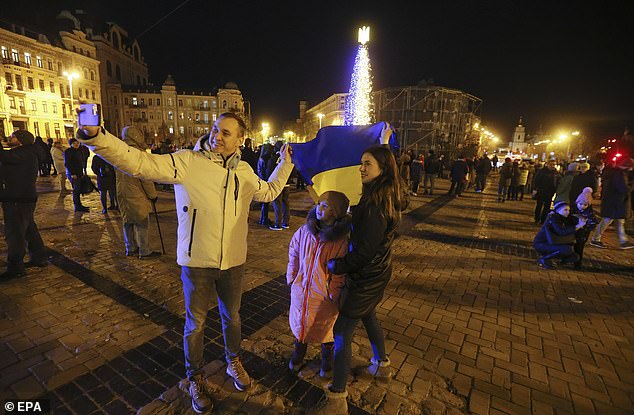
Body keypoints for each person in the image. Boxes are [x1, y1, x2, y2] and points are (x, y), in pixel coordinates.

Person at [76, 112, 294, 414]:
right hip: (197, 263)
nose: (218, 136)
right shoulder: (187, 162)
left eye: (227, 133)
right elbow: (140, 164)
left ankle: (234, 362)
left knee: (232, 317)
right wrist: (96, 137)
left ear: (240, 140)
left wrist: (286, 163)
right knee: (196, 324)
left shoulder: (243, 171)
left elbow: (269, 192)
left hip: (233, 262)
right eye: (217, 129)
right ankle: (196, 377)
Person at [313, 131, 401, 414]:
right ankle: (382, 365)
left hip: (366, 277)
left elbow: (363, 252)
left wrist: (336, 266)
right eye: (361, 162)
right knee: (369, 315)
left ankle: (338, 397)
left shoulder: (376, 205)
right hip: (377, 274)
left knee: (341, 333)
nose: (361, 168)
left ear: (382, 170)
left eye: (367, 164)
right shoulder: (383, 194)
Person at [287, 191, 350, 377]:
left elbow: (340, 270)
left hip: (324, 296)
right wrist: (292, 277)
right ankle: (298, 355)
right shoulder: (304, 231)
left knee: (326, 329)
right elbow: (294, 253)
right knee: (301, 324)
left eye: (325, 205)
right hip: (302, 290)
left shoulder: (339, 241)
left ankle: (326, 362)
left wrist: (333, 291)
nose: (319, 208)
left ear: (336, 212)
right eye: (319, 203)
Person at [0, 130, 48, 280]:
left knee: (15, 233)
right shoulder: (25, 152)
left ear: (21, 140)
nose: (10, 137)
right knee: (28, 229)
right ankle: (39, 257)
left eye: (13, 136)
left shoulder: (24, 153)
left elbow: (3, 156)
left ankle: (16, 267)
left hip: (17, 198)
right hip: (22, 198)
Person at [115, 127, 160, 258]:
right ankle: (144, 250)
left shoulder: (119, 151)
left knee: (127, 221)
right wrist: (153, 195)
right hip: (136, 193)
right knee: (142, 222)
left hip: (122, 191)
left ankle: (130, 247)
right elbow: (145, 178)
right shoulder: (138, 154)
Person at [590, 158, 634, 249]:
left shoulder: (615, 173)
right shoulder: (619, 174)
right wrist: (631, 186)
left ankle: (623, 241)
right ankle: (595, 239)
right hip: (615, 203)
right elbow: (623, 189)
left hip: (614, 202)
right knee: (608, 221)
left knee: (618, 221)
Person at [533, 201, 585, 269]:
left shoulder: (564, 218)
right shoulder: (553, 218)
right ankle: (544, 258)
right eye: (565, 210)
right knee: (567, 249)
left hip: (554, 242)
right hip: (542, 243)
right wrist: (577, 226)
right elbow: (560, 231)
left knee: (575, 257)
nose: (568, 212)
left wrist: (581, 220)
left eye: (569, 210)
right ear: (558, 210)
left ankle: (556, 262)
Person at [571, 187, 599, 268]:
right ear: (577, 202)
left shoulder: (589, 213)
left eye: (585, 205)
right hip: (573, 232)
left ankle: (577, 263)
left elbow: (593, 223)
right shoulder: (573, 210)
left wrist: (586, 226)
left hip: (582, 234)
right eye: (580, 204)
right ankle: (567, 259)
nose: (582, 206)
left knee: (579, 248)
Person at [269, 141, 290, 230]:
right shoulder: (289, 159)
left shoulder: (273, 158)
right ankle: (286, 222)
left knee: (277, 203)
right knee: (285, 203)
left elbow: (270, 171)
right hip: (287, 184)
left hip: (277, 183)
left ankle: (278, 224)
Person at [64, 138, 89, 212]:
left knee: (78, 189)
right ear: (71, 144)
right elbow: (67, 163)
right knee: (76, 190)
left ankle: (79, 205)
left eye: (77, 143)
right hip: (74, 173)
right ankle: (77, 206)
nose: (77, 144)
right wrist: (72, 173)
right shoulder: (68, 152)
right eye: (75, 143)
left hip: (79, 172)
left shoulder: (79, 151)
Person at [257, 143, 274, 226]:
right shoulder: (264, 159)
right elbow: (263, 171)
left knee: (265, 203)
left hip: (262, 180)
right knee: (265, 202)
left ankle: (263, 218)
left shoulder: (261, 158)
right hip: (264, 181)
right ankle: (264, 219)